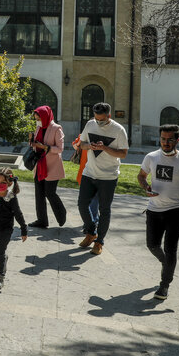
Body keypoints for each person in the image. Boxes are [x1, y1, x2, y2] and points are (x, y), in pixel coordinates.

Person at [137, 123, 179, 300]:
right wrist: (146, 187)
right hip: (153, 210)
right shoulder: (151, 157)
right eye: (163, 139)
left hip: (175, 211)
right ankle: (167, 264)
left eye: (169, 140)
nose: (165, 143)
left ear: (177, 140)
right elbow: (141, 176)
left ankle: (164, 285)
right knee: (152, 245)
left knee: (170, 248)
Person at [76, 102, 129, 255]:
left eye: (102, 120)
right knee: (82, 204)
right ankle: (92, 232)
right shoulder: (90, 124)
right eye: (96, 119)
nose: (98, 122)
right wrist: (90, 146)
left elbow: (123, 154)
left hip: (108, 176)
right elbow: (82, 144)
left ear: (109, 116)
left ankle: (99, 242)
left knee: (104, 209)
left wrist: (105, 148)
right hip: (89, 172)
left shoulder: (119, 130)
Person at [27, 106, 67, 229]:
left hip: (52, 166)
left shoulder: (56, 128)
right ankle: (42, 220)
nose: (37, 121)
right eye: (36, 118)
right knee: (39, 194)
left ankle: (61, 215)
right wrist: (31, 141)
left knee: (50, 193)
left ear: (45, 117)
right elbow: (36, 145)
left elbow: (60, 148)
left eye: (38, 118)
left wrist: (45, 147)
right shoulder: (39, 127)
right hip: (39, 164)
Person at [72, 135, 99, 232]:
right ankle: (91, 221)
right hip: (85, 172)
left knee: (94, 199)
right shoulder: (83, 135)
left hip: (97, 173)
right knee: (88, 200)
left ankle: (92, 222)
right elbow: (75, 145)